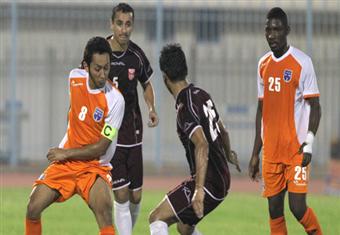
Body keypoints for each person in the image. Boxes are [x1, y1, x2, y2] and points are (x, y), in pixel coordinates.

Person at [25, 36, 125, 235]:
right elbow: (74, 111)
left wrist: (66, 153)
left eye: (106, 68)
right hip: (67, 164)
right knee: (33, 207)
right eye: (98, 68)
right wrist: (70, 139)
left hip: (94, 166)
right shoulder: (74, 78)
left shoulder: (116, 101)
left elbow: (102, 147)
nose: (103, 74)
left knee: (104, 212)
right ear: (86, 66)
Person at [149, 43, 241, 235]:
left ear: (165, 77)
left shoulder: (185, 108)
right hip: (222, 177)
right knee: (184, 227)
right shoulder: (201, 94)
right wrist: (229, 153)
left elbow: (202, 144)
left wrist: (199, 190)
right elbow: (223, 131)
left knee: (156, 218)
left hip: (209, 183)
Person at [248, 7, 322, 235]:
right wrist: (255, 153)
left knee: (297, 208)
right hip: (271, 152)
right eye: (268, 30)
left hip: (295, 151)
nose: (272, 35)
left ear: (287, 30)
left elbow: (316, 107)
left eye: (277, 29)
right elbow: (261, 110)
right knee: (274, 211)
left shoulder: (302, 62)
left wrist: (309, 143)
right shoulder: (262, 65)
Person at [106, 3, 159, 234]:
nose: (124, 29)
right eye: (120, 23)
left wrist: (151, 108)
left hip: (134, 130)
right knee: (120, 194)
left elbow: (146, 83)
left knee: (135, 196)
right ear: (112, 24)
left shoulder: (136, 55)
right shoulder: (100, 52)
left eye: (128, 24)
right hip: (110, 132)